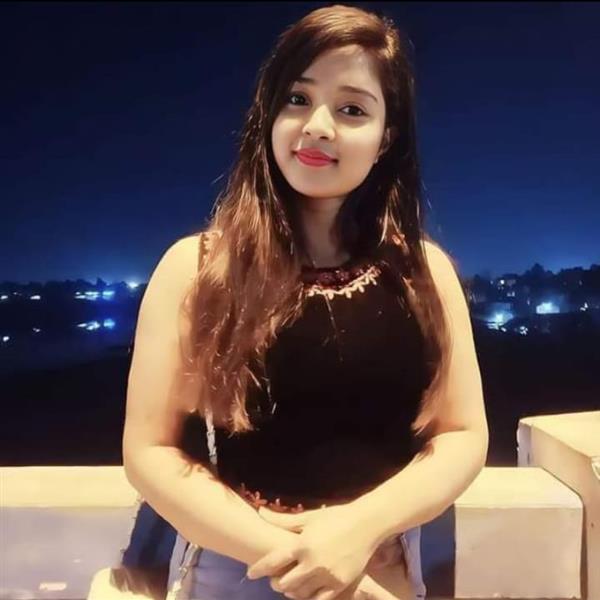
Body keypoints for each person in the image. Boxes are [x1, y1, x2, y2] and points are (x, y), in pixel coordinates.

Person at [121, 4, 488, 600]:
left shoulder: (424, 272)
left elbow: (463, 434)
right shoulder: (197, 268)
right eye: (297, 99)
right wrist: (296, 559)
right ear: (269, 115)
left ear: (386, 137)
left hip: (383, 562)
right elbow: (150, 450)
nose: (317, 126)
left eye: (351, 109)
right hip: (239, 565)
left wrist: (357, 532)